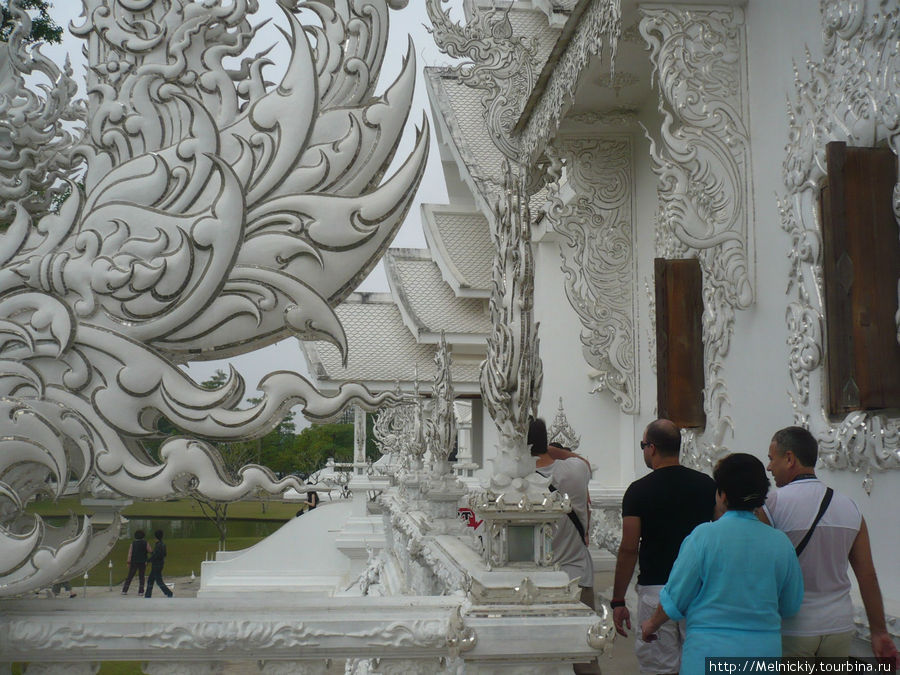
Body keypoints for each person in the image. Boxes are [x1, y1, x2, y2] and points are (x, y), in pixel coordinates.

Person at [640, 453, 804, 674]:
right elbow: (791, 604)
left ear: (722, 495)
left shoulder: (703, 537)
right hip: (762, 654)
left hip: (708, 654)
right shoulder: (780, 543)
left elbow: (676, 597)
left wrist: (652, 624)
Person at [761, 426, 899, 664]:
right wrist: (879, 632)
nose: (769, 467)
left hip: (793, 628)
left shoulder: (771, 506)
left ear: (790, 458)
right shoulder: (850, 507)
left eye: (772, 459)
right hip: (839, 627)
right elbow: (867, 576)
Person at [611, 418, 716, 674]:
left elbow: (628, 548)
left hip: (656, 590)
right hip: (698, 588)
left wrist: (618, 599)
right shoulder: (707, 486)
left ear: (652, 448)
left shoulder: (638, 491)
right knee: (699, 664)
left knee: (659, 666)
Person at [529, 418, 598, 675]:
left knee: (542, 657)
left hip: (536, 582)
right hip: (577, 575)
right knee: (585, 653)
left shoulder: (516, 480)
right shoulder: (574, 471)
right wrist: (550, 449)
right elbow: (582, 460)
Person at [144, 529, 173, 598]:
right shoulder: (162, 544)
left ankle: (169, 593)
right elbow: (164, 554)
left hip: (156, 565)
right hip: (160, 564)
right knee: (151, 580)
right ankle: (147, 595)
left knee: (158, 581)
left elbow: (155, 556)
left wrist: (148, 561)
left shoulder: (158, 545)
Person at [121, 529, 151, 595]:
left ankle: (124, 590)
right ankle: (141, 591)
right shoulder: (145, 543)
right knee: (141, 577)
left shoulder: (133, 543)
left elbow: (130, 553)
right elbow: (150, 550)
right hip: (143, 562)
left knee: (130, 576)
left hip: (134, 562)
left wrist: (128, 562)